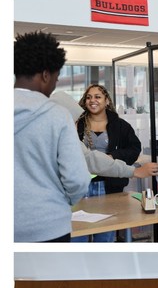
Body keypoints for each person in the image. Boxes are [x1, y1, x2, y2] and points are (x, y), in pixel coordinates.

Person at [14, 31, 91, 242]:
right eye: (56, 79)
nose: (55, 86)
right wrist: (60, 201)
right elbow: (78, 179)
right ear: (46, 75)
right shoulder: (56, 115)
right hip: (49, 226)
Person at [75, 84, 143, 242]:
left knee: (105, 233)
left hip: (109, 185)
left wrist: (113, 156)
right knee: (78, 231)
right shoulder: (77, 124)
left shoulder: (120, 125)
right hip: (80, 184)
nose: (93, 100)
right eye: (89, 97)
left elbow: (134, 149)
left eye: (98, 97)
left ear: (106, 101)